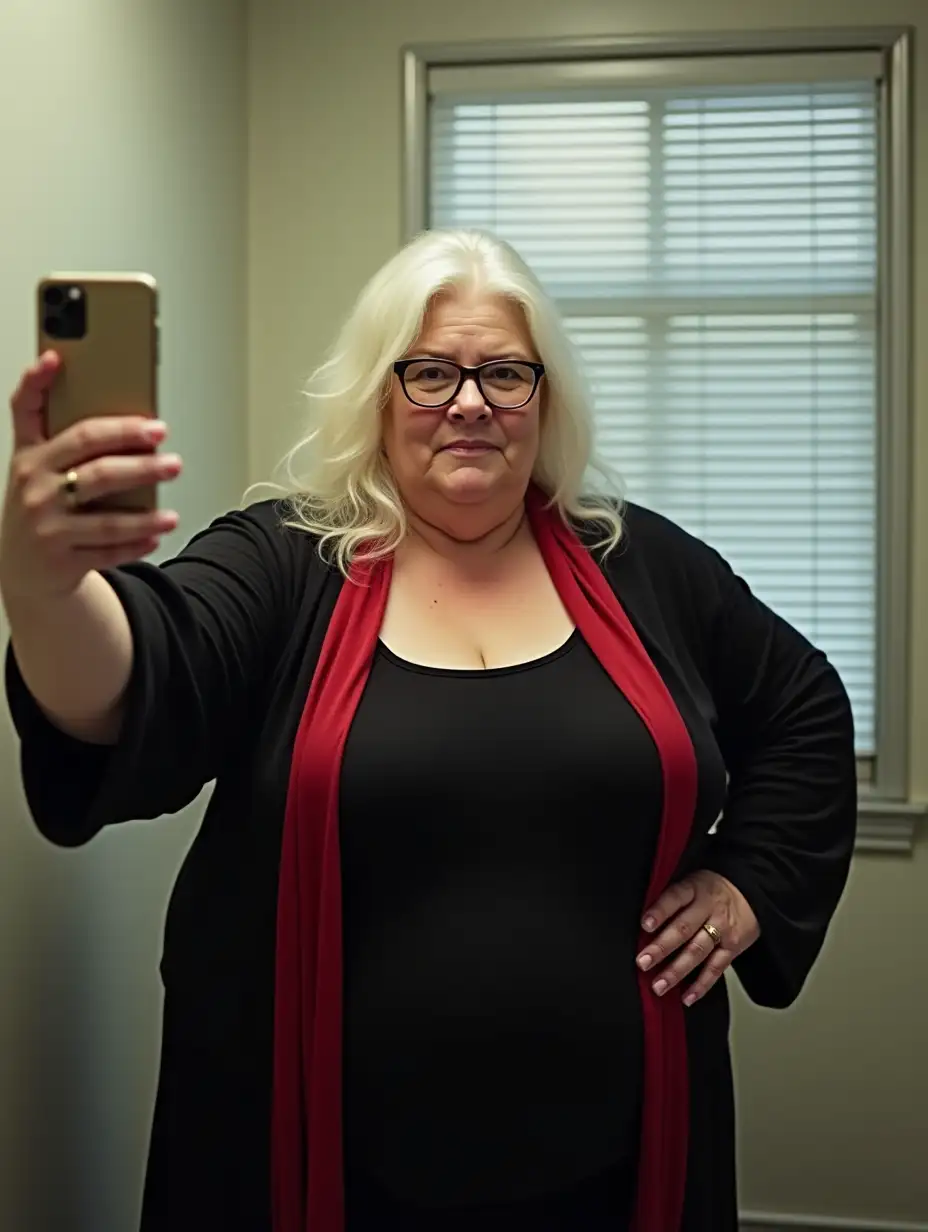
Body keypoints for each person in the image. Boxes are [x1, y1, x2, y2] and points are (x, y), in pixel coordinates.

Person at [1, 229, 857, 1232]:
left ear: (544, 400)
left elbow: (803, 706)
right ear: (377, 393)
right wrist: (45, 583)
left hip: (618, 1169)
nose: (469, 401)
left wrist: (751, 875)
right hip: (318, 1171)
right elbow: (135, 681)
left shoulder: (645, 565)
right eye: (430, 372)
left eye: (503, 372)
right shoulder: (284, 562)